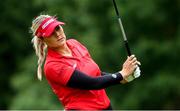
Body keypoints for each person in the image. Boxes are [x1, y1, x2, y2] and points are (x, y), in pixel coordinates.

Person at [30, 14, 141, 110]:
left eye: (57, 28)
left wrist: (122, 78)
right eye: (51, 33)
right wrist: (121, 74)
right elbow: (91, 83)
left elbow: (96, 74)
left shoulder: (74, 43)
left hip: (105, 107)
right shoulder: (52, 66)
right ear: (42, 39)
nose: (57, 34)